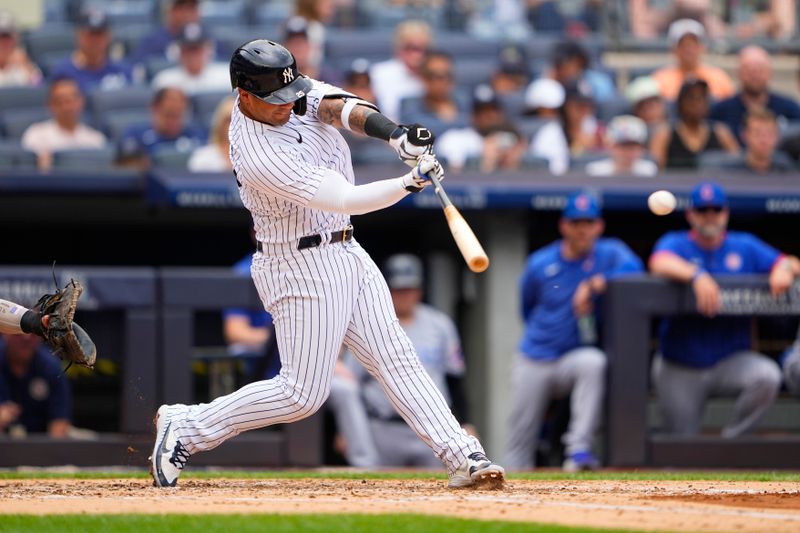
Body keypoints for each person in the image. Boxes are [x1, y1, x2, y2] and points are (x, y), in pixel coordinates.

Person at [150, 39, 505, 489]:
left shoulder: (288, 90)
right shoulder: (259, 153)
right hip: (298, 264)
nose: (288, 103)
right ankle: (187, 425)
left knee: (395, 355)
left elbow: (340, 107)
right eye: (274, 99)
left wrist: (394, 134)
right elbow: (346, 199)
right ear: (243, 96)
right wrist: (408, 181)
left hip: (344, 249)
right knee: (302, 393)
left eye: (290, 92)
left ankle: (461, 455)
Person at [505, 192, 644, 471]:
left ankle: (578, 451)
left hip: (573, 356)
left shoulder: (609, 252)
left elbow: (636, 268)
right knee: (520, 439)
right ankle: (512, 481)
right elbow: (527, 309)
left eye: (588, 222)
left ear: (598, 226)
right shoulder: (541, 262)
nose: (583, 229)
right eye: (576, 222)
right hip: (536, 355)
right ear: (564, 226)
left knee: (594, 362)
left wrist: (595, 283)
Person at [649, 181, 797, 437]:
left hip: (730, 360)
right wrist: (696, 275)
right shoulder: (676, 243)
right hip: (681, 363)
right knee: (681, 446)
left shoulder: (744, 246)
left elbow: (791, 261)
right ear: (690, 215)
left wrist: (783, 268)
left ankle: (731, 440)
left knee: (767, 376)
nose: (709, 216)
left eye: (715, 210)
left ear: (725, 213)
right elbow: (658, 261)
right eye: (702, 210)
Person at [341, 254, 477, 467]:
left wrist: (465, 421)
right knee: (376, 493)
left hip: (431, 429)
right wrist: (347, 430)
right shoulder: (370, 325)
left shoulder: (439, 325)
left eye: (410, 289)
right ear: (386, 291)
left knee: (438, 493)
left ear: (420, 290)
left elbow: (454, 379)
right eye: (398, 290)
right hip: (381, 427)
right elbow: (351, 385)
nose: (405, 295)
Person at [710, 45, 800, 146]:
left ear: (769, 73)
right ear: (739, 73)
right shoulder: (720, 111)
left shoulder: (790, 108)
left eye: (760, 70)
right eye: (749, 70)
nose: (755, 75)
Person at [649, 78, 739, 170]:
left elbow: (736, 165)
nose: (698, 103)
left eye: (702, 97)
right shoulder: (665, 133)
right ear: (681, 102)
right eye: (692, 98)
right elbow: (656, 170)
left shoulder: (720, 132)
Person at [21, 77, 107, 171]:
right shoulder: (36, 134)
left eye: (71, 100)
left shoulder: (96, 139)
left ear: (81, 102)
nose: (66, 107)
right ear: (50, 105)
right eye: (60, 102)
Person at [437, 84, 526, 173]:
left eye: (492, 110)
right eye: (481, 111)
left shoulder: (511, 139)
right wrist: (485, 162)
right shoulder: (455, 139)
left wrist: (512, 161)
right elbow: (452, 177)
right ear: (472, 115)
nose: (487, 116)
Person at [48, 9, 137, 95]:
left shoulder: (123, 71)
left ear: (109, 37)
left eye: (99, 35)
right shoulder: (63, 73)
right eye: (90, 35)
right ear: (78, 37)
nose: (95, 41)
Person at [0, 333, 71, 437]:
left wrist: (50, 451)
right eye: (18, 334)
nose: (26, 338)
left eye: (32, 333)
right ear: (5, 333)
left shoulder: (52, 367)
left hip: (41, 444)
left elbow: (59, 422)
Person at [117, 87, 205, 169]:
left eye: (179, 115)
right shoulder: (135, 135)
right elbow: (126, 168)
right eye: (169, 115)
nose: (174, 121)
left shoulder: (196, 135)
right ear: (155, 109)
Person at [651, 19, 736, 102]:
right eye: (683, 44)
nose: (689, 49)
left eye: (693, 44)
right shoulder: (659, 80)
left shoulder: (719, 78)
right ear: (674, 49)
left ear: (702, 47)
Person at [628, 0, 796, 41]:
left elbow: (784, 28)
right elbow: (640, 30)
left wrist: (758, 24)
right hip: (670, 40)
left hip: (741, 39)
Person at [370, 19, 432, 122]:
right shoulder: (379, 73)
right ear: (399, 47)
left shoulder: (433, 76)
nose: (417, 55)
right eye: (411, 48)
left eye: (422, 49)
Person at [400, 50, 470, 138]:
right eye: (433, 76)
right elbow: (419, 131)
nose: (441, 82)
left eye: (446, 75)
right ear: (422, 77)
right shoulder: (409, 105)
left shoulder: (465, 101)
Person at [151, 23, 230, 95]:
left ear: (208, 51)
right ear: (179, 52)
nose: (192, 55)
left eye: (196, 50)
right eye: (187, 50)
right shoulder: (165, 81)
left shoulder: (226, 77)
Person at [718, 108, 795, 173]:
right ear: (744, 136)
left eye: (770, 133)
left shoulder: (787, 169)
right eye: (757, 133)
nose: (764, 140)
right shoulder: (729, 170)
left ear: (777, 136)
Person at [132, 0, 203, 64]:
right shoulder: (151, 42)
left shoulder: (207, 40)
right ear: (169, 11)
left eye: (192, 8)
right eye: (180, 8)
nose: (187, 14)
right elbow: (138, 69)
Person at [585, 115, 658, 177]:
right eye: (623, 146)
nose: (628, 152)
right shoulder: (595, 171)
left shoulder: (649, 171)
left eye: (633, 147)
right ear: (612, 147)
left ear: (641, 148)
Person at [547, 40, 616, 103]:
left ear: (580, 62)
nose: (563, 70)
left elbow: (608, 107)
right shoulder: (550, 81)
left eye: (569, 64)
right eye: (559, 66)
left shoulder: (598, 82)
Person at [524, 78, 569, 175]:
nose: (551, 115)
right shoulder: (522, 128)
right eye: (544, 110)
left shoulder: (555, 129)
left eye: (555, 111)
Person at [188, 97, 233, 172]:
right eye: (229, 119)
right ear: (220, 124)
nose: (235, 124)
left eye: (241, 120)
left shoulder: (255, 158)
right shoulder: (202, 158)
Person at [0, 11, 42, 88]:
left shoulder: (21, 58)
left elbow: (38, 85)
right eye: (1, 37)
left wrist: (26, 66)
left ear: (15, 38)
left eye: (8, 37)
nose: (4, 42)